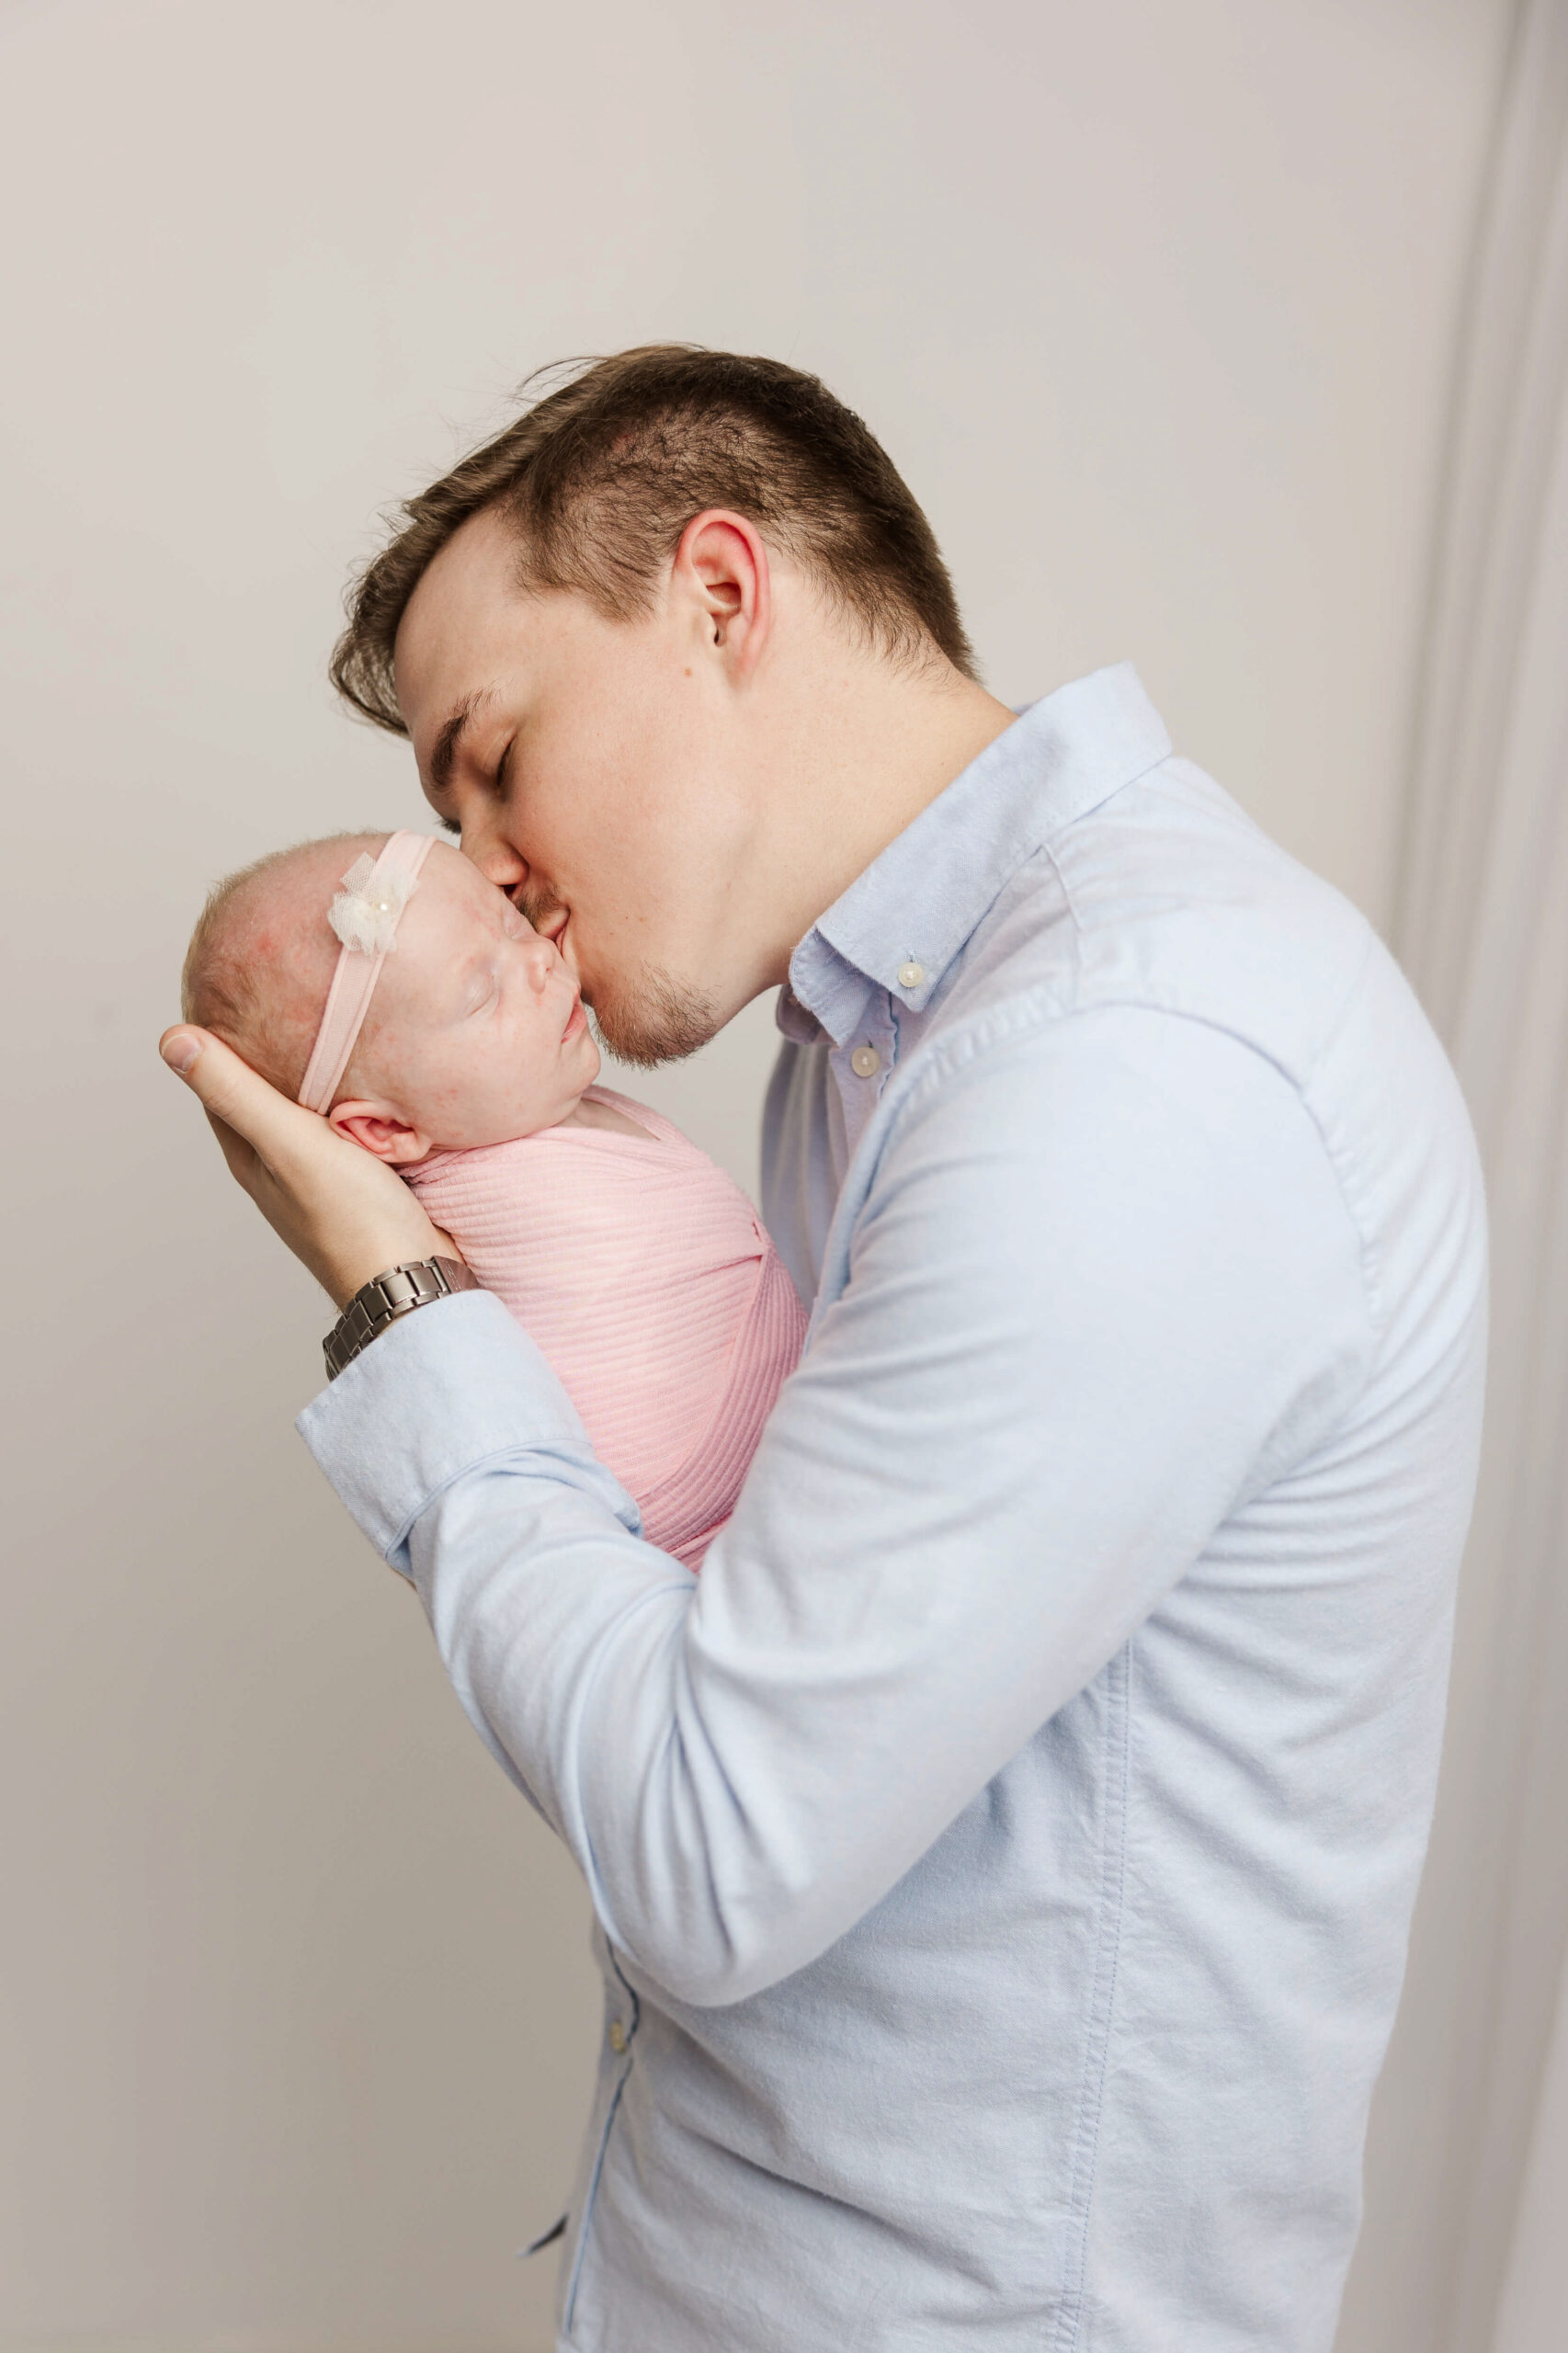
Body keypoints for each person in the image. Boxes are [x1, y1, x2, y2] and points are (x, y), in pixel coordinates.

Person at [160, 346, 1487, 2353]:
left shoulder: (1127, 1061)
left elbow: (716, 1845)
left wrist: (407, 1307)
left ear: (715, 592)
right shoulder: (871, 1040)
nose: (484, 864)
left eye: (492, 754)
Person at [179, 825, 804, 1567]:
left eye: (510, 923)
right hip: (705, 1548)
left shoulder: (532, 1105)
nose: (540, 960)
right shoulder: (484, 1202)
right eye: (480, 993)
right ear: (382, 1128)